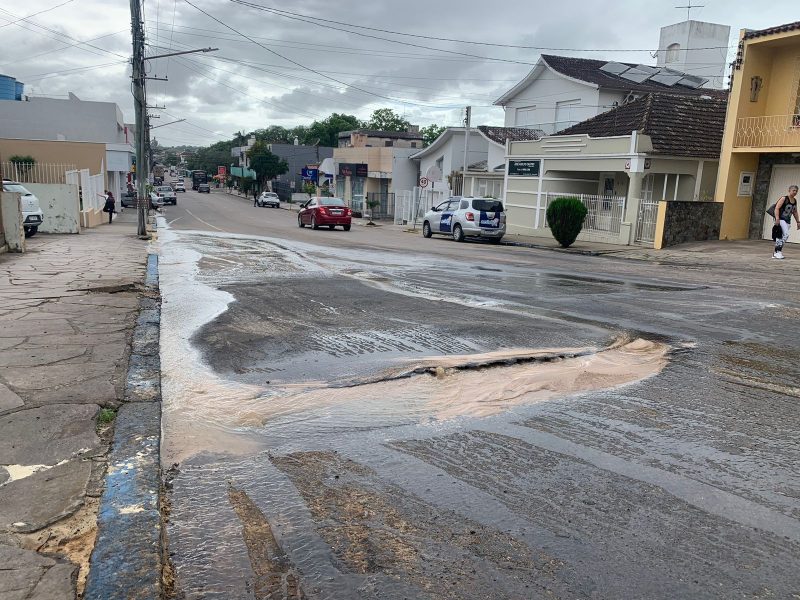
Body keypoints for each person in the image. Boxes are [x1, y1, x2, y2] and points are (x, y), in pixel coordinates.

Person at [772, 185, 800, 259]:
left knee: (780, 236)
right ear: (789, 190)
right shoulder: (784, 198)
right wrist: (777, 218)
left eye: (796, 191)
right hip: (781, 219)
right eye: (793, 190)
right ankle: (778, 251)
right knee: (786, 235)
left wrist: (798, 222)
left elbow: (795, 212)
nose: (795, 192)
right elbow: (776, 208)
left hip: (788, 220)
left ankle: (776, 253)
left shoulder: (794, 200)